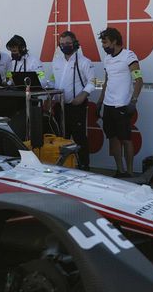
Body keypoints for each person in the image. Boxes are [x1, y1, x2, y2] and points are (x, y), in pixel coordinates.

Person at [95, 27, 143, 178]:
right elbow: (107, 81)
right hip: (108, 105)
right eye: (102, 43)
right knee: (113, 138)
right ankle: (120, 170)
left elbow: (139, 80)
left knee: (126, 139)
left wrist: (133, 101)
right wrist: (99, 102)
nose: (104, 46)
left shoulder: (129, 55)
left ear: (115, 41)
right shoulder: (107, 59)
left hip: (122, 104)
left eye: (106, 43)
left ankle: (129, 172)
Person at [52, 30, 96, 170]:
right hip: (60, 106)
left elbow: (93, 81)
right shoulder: (56, 61)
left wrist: (83, 95)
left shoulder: (84, 61)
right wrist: (50, 96)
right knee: (61, 137)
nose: (65, 46)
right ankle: (63, 166)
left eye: (68, 43)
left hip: (76, 106)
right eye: (62, 43)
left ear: (75, 43)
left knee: (79, 138)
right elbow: (54, 79)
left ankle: (84, 166)